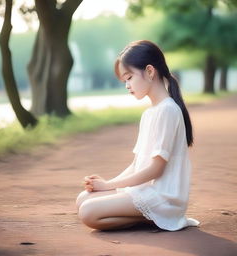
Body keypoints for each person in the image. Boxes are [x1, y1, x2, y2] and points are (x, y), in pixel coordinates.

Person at [75, 40, 200, 231]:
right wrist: (107, 184)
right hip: (146, 191)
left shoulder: (168, 110)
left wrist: (108, 185)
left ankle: (156, 217)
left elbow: (155, 170)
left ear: (150, 71)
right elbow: (136, 165)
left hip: (163, 197)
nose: (127, 85)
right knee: (83, 199)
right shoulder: (149, 113)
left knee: (87, 212)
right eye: (125, 80)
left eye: (129, 77)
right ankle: (151, 218)